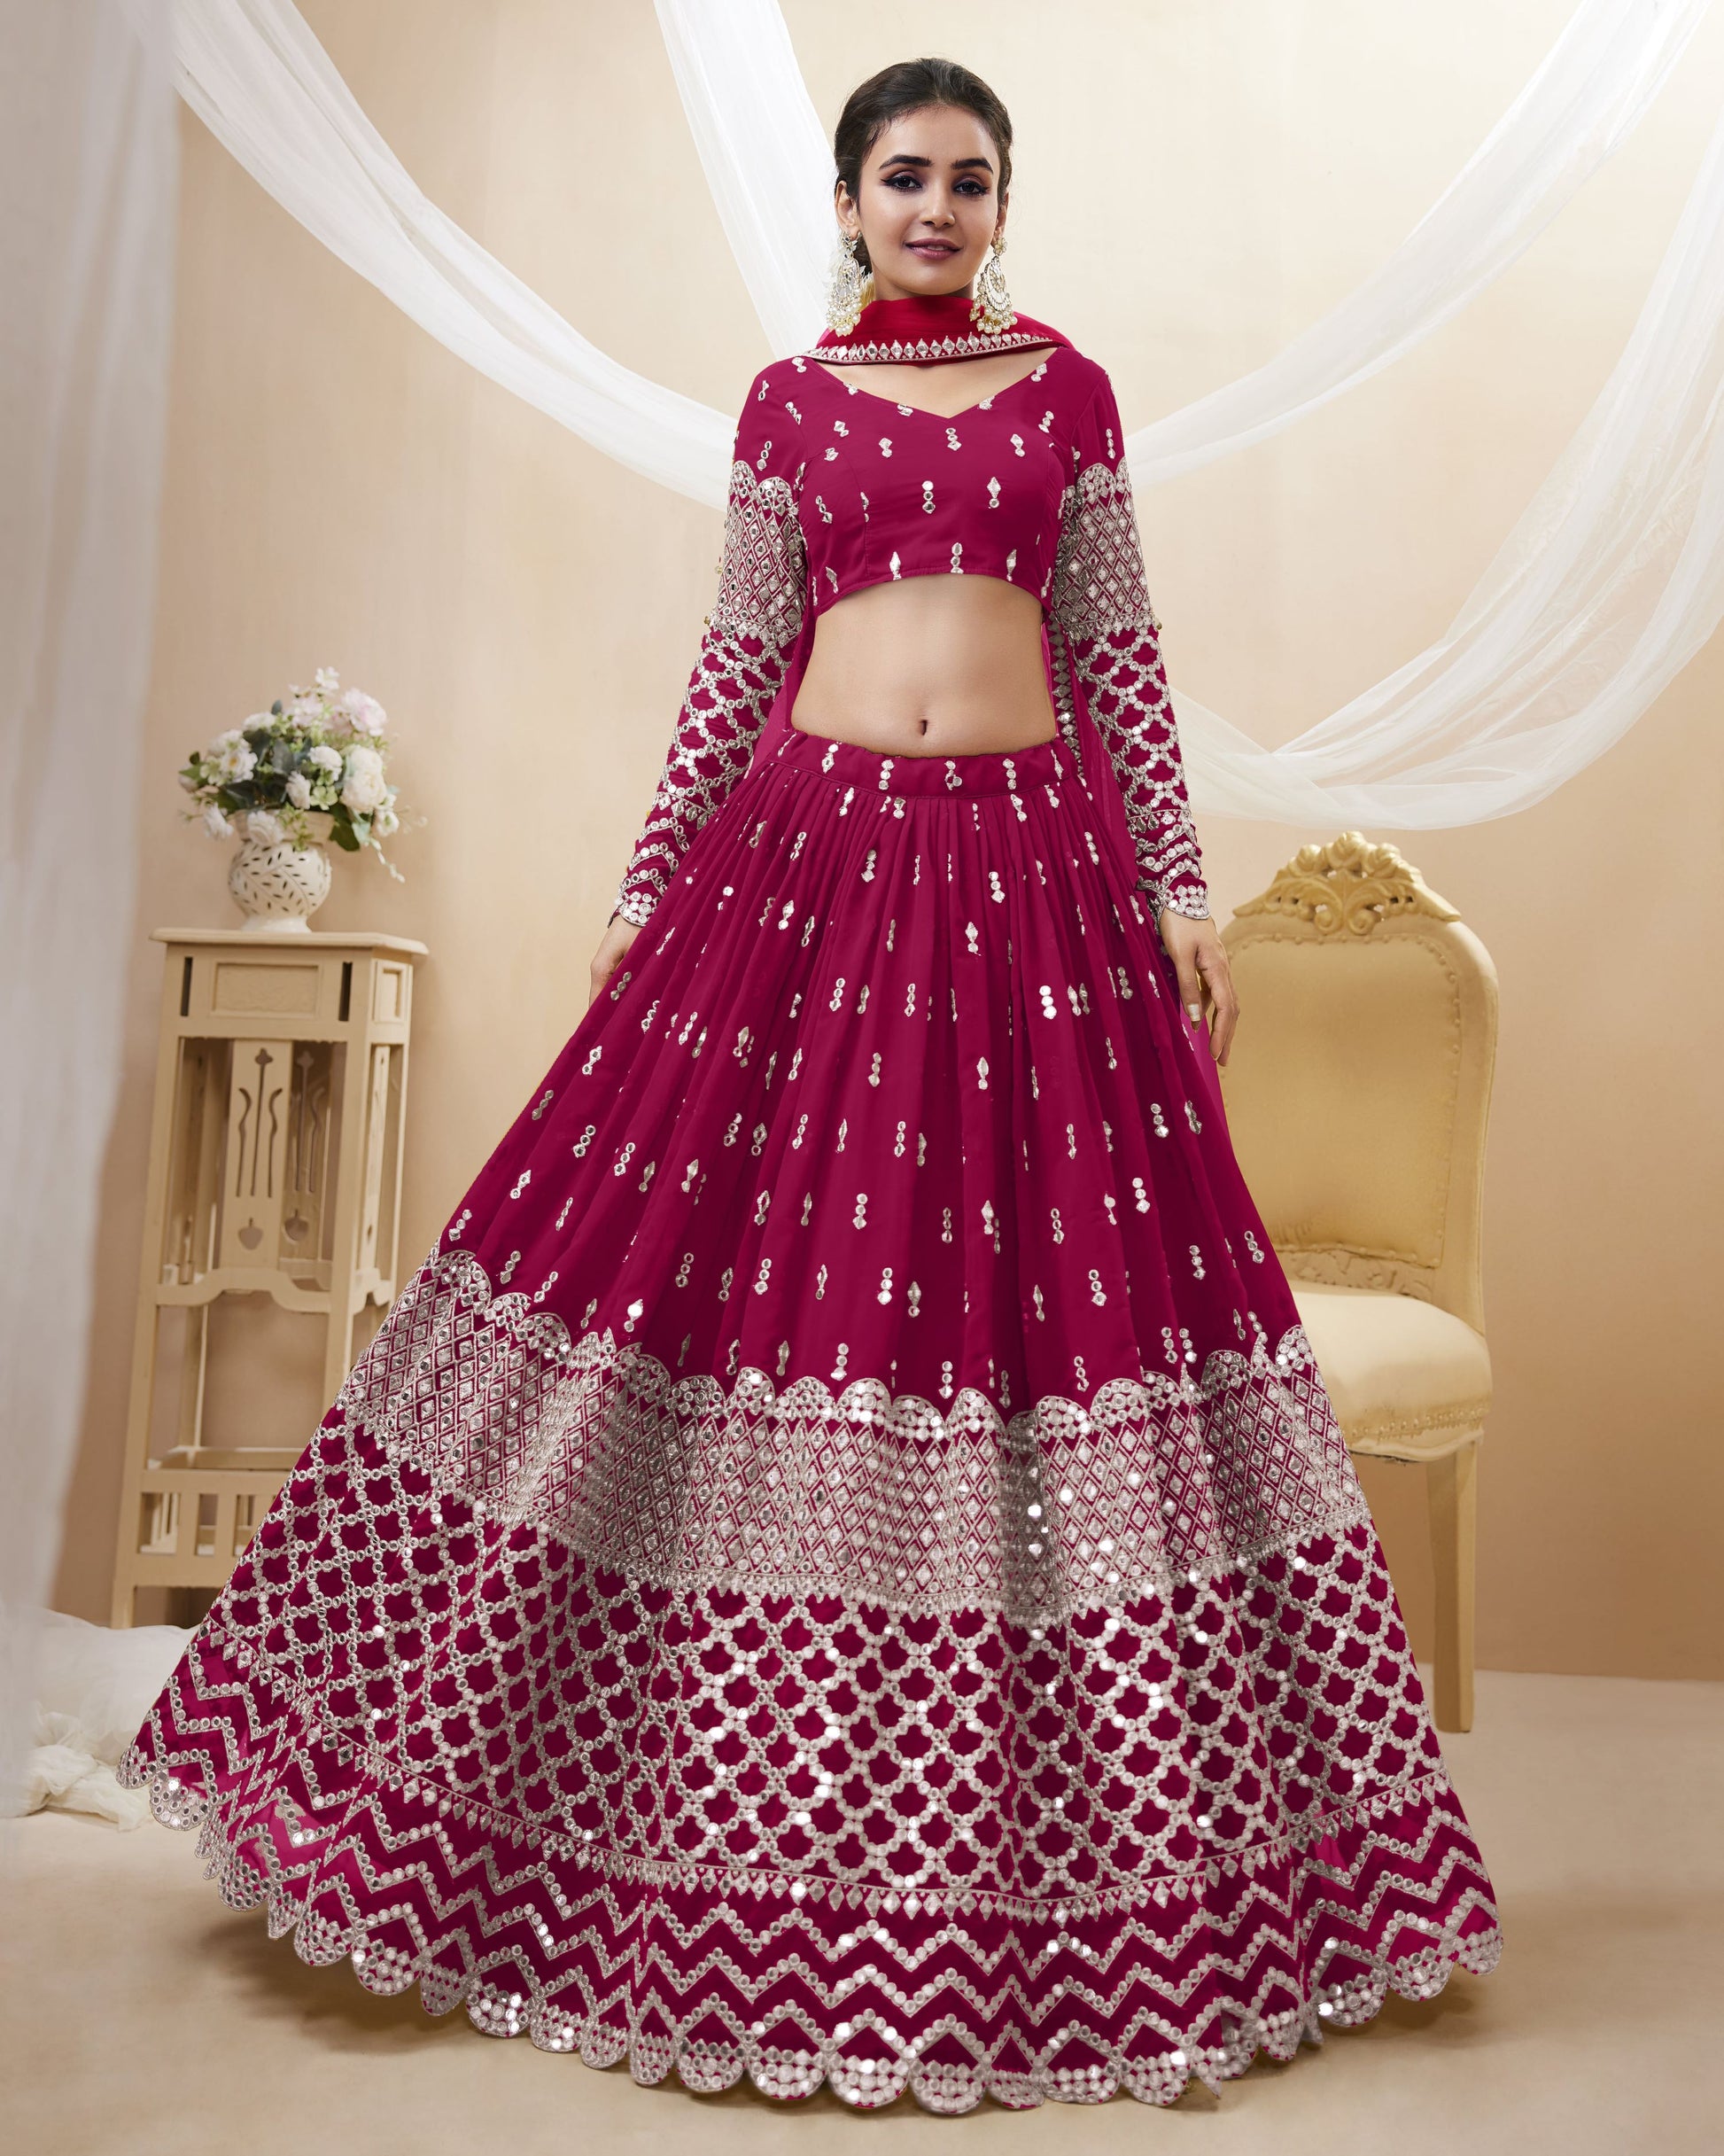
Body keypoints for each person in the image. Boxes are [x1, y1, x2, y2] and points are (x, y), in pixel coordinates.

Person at [123, 57, 1500, 2113]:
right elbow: (737, 648)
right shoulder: (788, 405)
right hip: (807, 860)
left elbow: (1116, 643)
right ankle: (565, 1812)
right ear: (848, 202)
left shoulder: (1067, 395)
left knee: (1039, 1321)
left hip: (1033, 874)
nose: (934, 208)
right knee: (687, 1287)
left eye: (967, 180)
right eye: (901, 178)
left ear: (998, 204)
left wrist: (1184, 884)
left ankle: (1108, 1870)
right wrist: (643, 884)